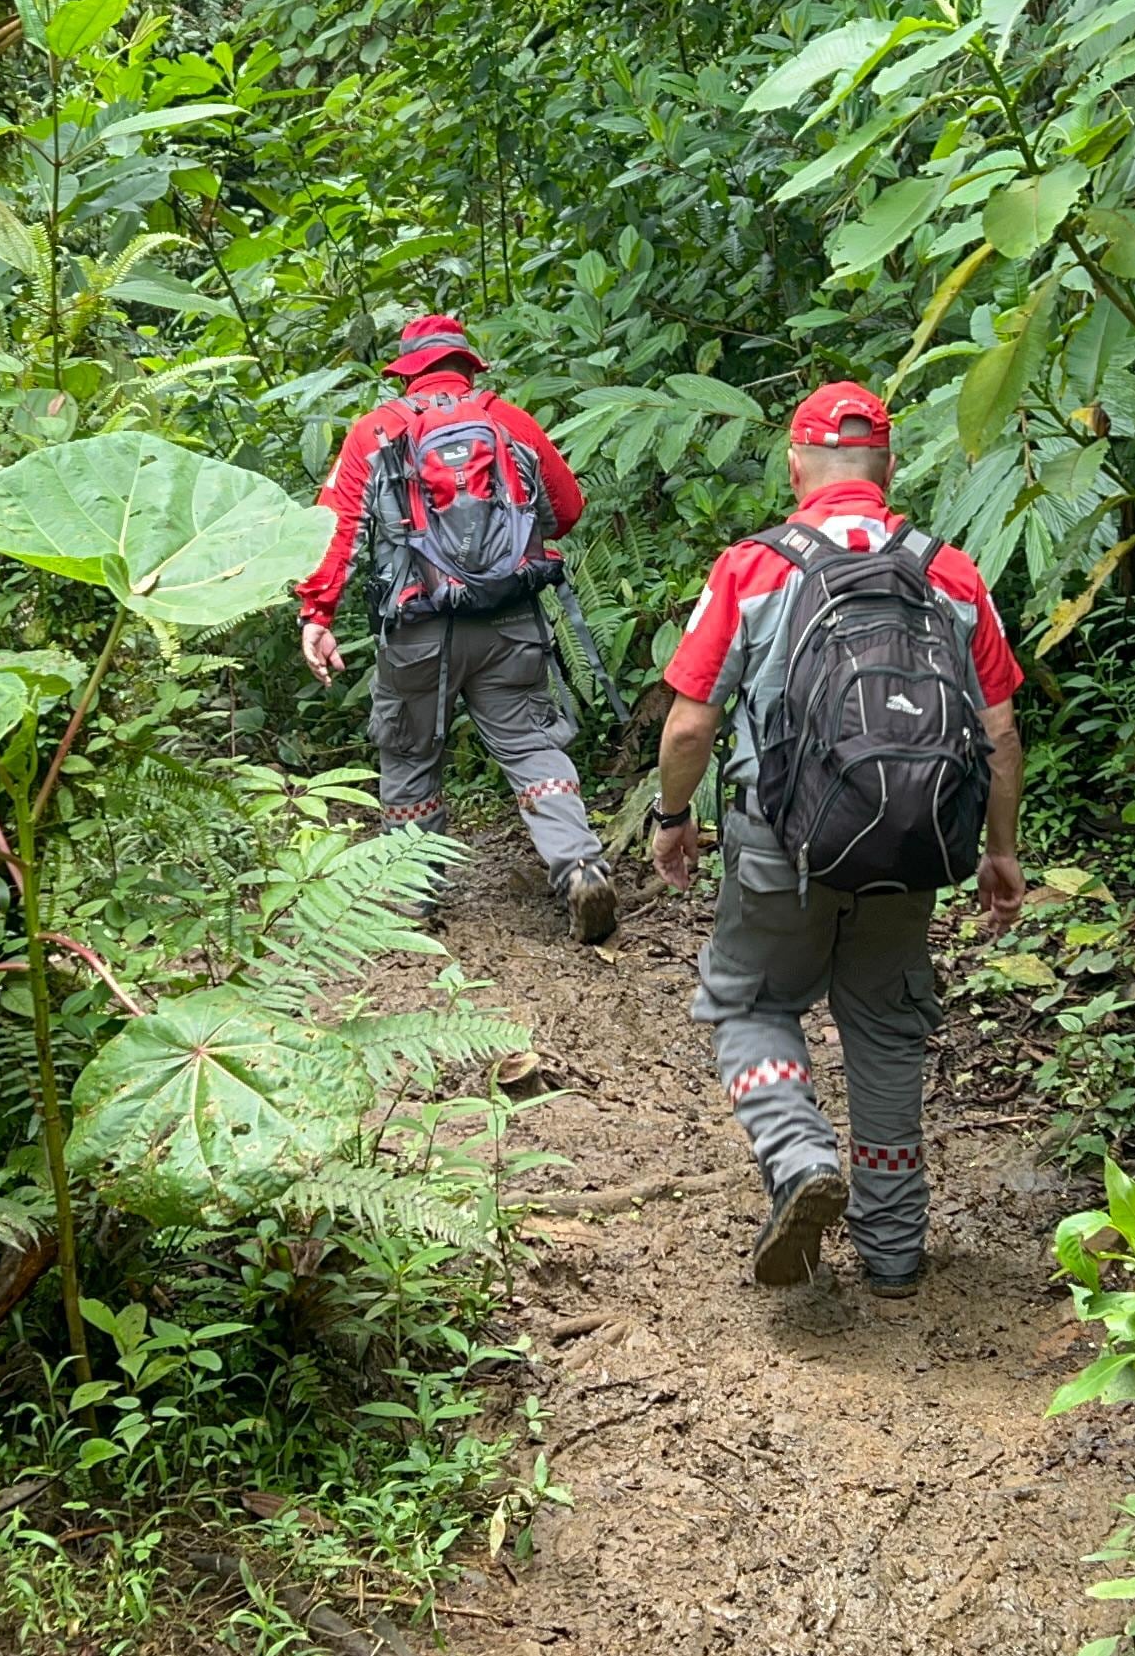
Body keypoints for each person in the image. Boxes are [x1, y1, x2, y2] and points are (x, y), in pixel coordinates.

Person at [647, 381, 1026, 1296]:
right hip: (914, 847)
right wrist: (999, 851)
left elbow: (690, 725)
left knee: (746, 1004)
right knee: (887, 1032)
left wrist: (672, 819)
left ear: (795, 464)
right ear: (888, 468)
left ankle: (799, 1153)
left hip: (783, 845)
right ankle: (894, 1257)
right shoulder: (952, 570)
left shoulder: (755, 567)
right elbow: (1001, 731)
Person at [298, 314, 618, 945]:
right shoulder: (509, 421)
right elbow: (567, 510)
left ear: (406, 372)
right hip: (510, 622)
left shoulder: (376, 432)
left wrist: (318, 614)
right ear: (468, 365)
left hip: (417, 629)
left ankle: (412, 897)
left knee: (410, 751)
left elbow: (332, 531)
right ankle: (580, 864)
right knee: (530, 747)